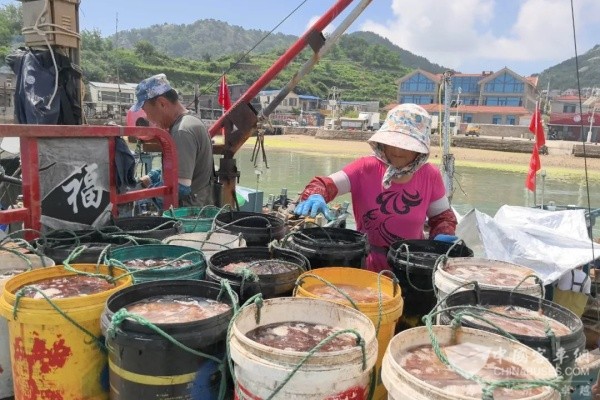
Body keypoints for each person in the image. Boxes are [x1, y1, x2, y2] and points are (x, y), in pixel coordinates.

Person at [295, 103, 458, 272]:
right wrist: (316, 195)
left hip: (410, 265)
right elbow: (325, 184)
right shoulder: (365, 168)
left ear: (420, 150)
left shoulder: (430, 175)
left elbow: (442, 217)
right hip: (367, 263)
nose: (397, 150)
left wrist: (442, 233)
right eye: (393, 142)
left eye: (406, 145)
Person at [131, 73, 214, 207]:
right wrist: (152, 177)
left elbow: (180, 187)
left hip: (189, 215)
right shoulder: (190, 121)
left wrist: (145, 196)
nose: (148, 118)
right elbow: (178, 169)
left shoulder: (182, 131)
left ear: (162, 103)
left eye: (147, 111)